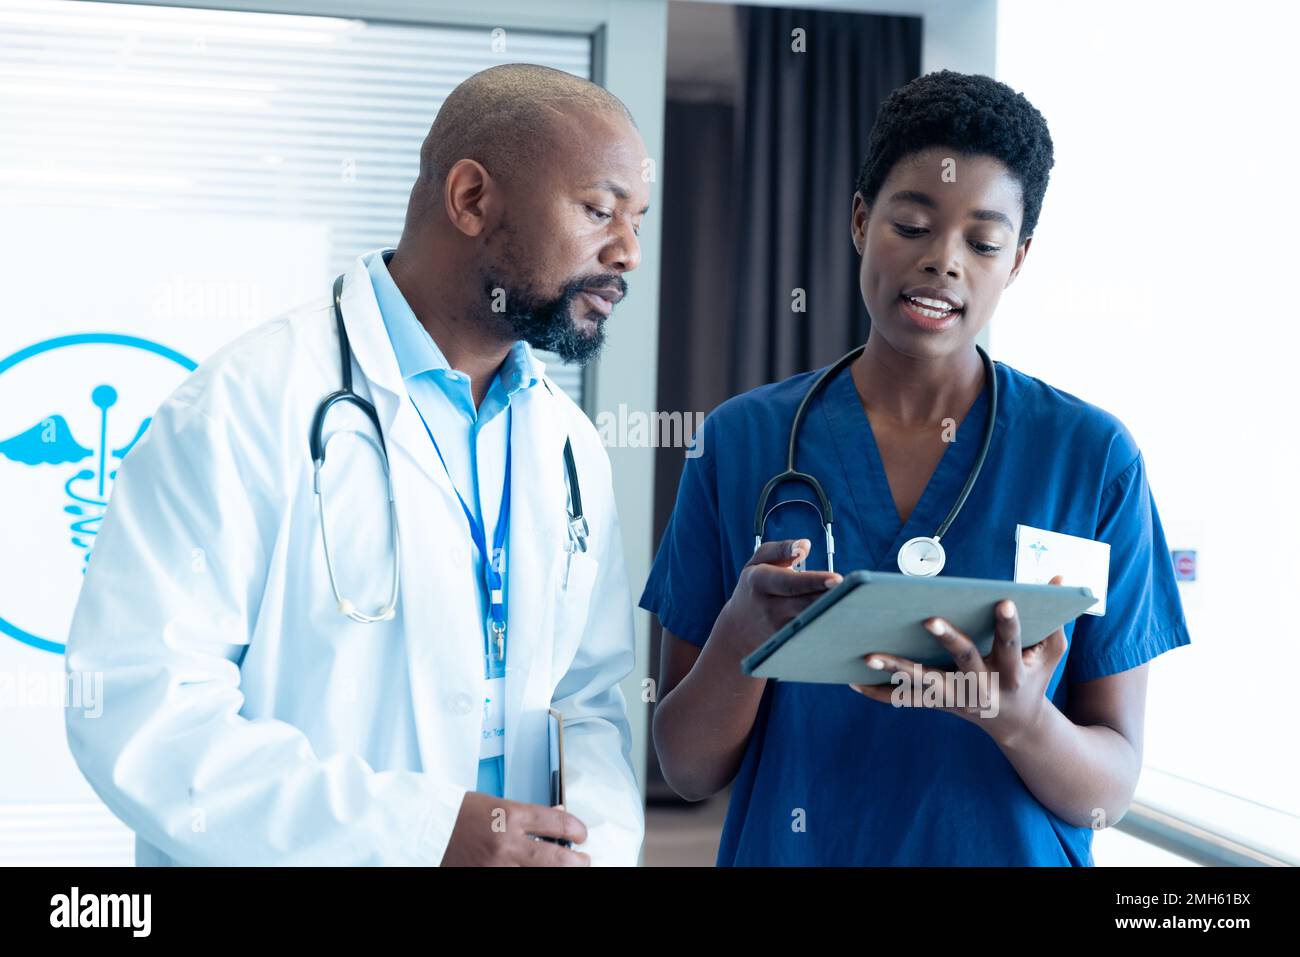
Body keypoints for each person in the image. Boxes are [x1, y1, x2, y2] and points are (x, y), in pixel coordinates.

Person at [64, 63, 650, 866]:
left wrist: (592, 849)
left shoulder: (568, 442)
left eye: (638, 222)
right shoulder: (243, 406)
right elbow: (142, 716)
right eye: (599, 211)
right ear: (473, 198)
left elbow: (586, 700)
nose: (628, 253)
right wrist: (419, 834)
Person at [642, 70, 1190, 865]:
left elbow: (1108, 790)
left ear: (1019, 260)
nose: (943, 262)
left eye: (983, 240)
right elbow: (687, 768)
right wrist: (739, 640)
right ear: (861, 221)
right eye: (912, 224)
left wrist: (1020, 719)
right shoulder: (739, 442)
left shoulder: (1092, 458)